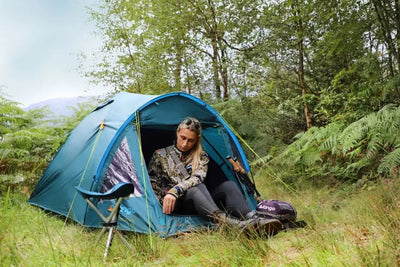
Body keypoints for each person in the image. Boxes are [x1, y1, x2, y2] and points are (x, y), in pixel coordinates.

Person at [148, 117, 282, 235]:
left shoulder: (202, 155)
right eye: (183, 138)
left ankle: (253, 219)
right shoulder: (160, 154)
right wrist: (167, 196)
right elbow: (153, 184)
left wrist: (175, 190)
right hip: (173, 203)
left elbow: (197, 177)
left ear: (196, 141)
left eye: (190, 140)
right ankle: (230, 224)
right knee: (195, 189)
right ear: (177, 133)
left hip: (201, 200)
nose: (185, 144)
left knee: (228, 186)